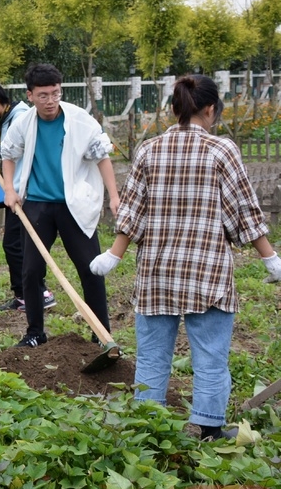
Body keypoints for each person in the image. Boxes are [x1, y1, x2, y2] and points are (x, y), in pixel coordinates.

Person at [90, 75, 281, 441]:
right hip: (207, 270)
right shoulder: (221, 151)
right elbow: (242, 210)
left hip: (157, 272)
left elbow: (132, 211)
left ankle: (148, 424)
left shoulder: (149, 150)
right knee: (210, 354)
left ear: (175, 109)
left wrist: (114, 255)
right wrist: (270, 258)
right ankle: (208, 426)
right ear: (210, 109)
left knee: (151, 355)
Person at [0, 63, 120, 348]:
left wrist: (114, 197)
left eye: (55, 93)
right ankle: (35, 333)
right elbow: (8, 154)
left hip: (73, 204)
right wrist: (9, 189)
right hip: (38, 206)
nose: (50, 101)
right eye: (43, 95)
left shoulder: (80, 120)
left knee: (90, 268)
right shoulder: (23, 123)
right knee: (30, 271)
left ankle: (100, 333)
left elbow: (102, 157)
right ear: (30, 95)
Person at [0, 79, 56, 313]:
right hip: (16, 190)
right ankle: (26, 294)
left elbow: (22, 148)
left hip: (24, 191)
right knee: (17, 244)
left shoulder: (19, 115)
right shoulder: (9, 117)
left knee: (17, 244)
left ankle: (37, 293)